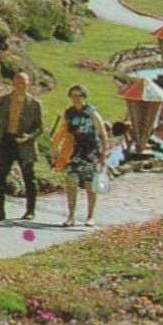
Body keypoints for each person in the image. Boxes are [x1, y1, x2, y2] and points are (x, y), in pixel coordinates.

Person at [0, 71, 43, 221]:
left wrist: (28, 137)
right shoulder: (5, 100)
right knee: (0, 176)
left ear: (28, 85)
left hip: (24, 143)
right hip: (7, 140)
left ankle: (30, 211)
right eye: (17, 82)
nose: (20, 85)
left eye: (23, 83)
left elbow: (39, 128)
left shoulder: (34, 104)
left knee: (28, 177)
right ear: (13, 83)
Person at [53, 84, 109, 227]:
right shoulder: (69, 113)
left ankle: (90, 216)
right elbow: (64, 131)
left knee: (89, 184)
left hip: (91, 151)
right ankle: (71, 215)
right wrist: (60, 150)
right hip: (74, 151)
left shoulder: (91, 113)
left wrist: (103, 155)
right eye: (73, 96)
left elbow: (102, 134)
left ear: (84, 97)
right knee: (71, 180)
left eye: (79, 96)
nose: (76, 99)